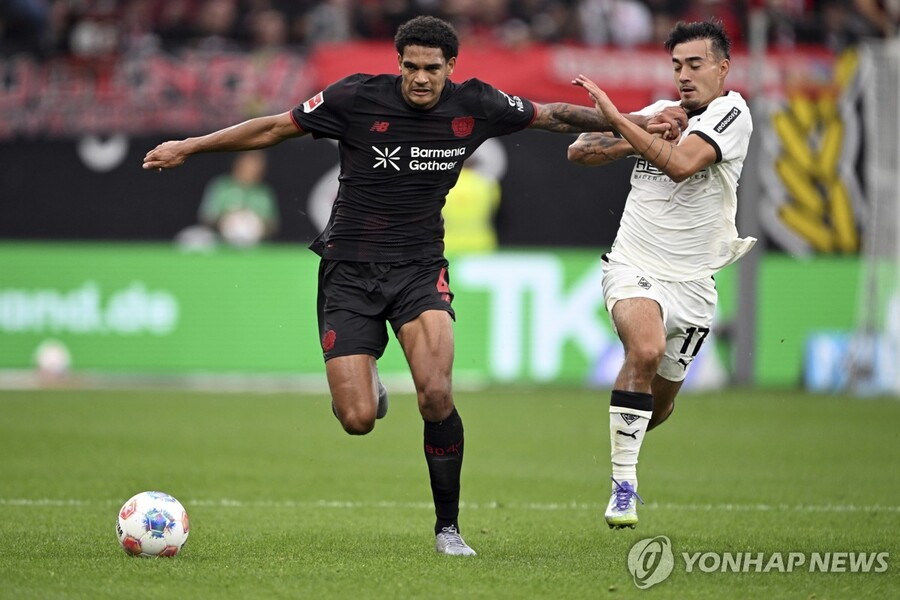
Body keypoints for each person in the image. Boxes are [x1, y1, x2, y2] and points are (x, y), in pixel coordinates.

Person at [143, 15, 686, 555]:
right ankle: (370, 388)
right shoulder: (355, 98)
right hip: (348, 270)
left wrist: (631, 120)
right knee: (357, 420)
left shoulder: (476, 103)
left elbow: (556, 117)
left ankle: (447, 529)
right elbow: (272, 128)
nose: (420, 77)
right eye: (410, 67)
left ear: (451, 67)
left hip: (418, 268)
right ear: (398, 63)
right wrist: (190, 146)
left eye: (431, 68)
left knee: (436, 392)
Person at [568, 19, 754, 529]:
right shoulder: (656, 113)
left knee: (660, 408)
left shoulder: (732, 113)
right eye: (677, 66)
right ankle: (624, 487)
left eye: (695, 64)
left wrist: (621, 121)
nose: (685, 75)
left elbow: (681, 164)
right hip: (633, 264)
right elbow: (578, 151)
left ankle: (622, 426)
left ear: (722, 67)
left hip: (694, 284)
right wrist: (640, 129)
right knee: (644, 349)